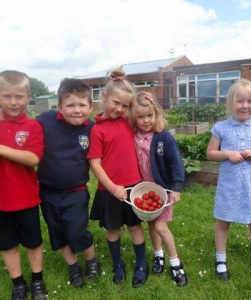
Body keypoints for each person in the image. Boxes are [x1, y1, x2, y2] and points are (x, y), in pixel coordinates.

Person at [37, 79, 101, 288]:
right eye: (70, 105)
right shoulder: (44, 121)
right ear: (60, 105)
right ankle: (73, 266)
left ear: (90, 107)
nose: (76, 110)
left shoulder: (92, 129)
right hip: (47, 191)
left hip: (76, 191)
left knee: (77, 231)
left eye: (82, 105)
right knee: (57, 232)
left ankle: (92, 260)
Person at [87, 67, 148, 288]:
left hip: (134, 187)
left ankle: (142, 263)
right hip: (110, 190)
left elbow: (148, 117)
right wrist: (113, 188)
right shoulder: (97, 131)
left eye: (125, 105)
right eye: (116, 103)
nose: (120, 109)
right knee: (112, 229)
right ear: (104, 97)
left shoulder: (128, 121)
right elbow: (95, 165)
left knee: (134, 227)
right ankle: (118, 264)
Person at [206, 78, 251, 283]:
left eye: (249, 101)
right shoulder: (221, 128)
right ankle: (221, 259)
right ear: (230, 103)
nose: (245, 105)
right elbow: (210, 152)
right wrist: (227, 154)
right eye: (240, 101)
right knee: (223, 221)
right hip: (229, 185)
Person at [129, 91, 188, 287]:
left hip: (164, 190)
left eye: (150, 115)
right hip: (145, 191)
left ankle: (175, 262)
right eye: (140, 116)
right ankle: (158, 255)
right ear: (134, 118)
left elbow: (176, 163)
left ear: (156, 114)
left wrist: (177, 188)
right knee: (152, 225)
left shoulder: (163, 137)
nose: (146, 121)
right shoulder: (135, 136)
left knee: (161, 227)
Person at [0, 70, 47, 300]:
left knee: (33, 242)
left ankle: (38, 280)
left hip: (26, 198)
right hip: (1, 201)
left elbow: (33, 158)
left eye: (18, 96)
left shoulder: (33, 127)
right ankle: (18, 283)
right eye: (6, 96)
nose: (12, 102)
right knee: (7, 244)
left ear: (29, 97)